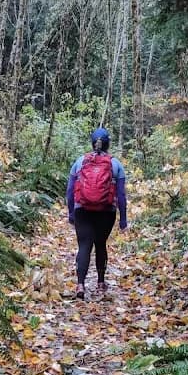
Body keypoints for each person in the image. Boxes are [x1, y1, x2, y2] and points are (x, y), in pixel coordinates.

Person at [66, 127, 128, 299]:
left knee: (84, 245)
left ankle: (80, 285)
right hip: (106, 211)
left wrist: (71, 213)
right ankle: (100, 283)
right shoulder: (116, 164)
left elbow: (70, 191)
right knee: (100, 243)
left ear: (92, 143)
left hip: (82, 210)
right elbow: (121, 195)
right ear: (108, 144)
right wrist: (123, 220)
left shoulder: (80, 162)